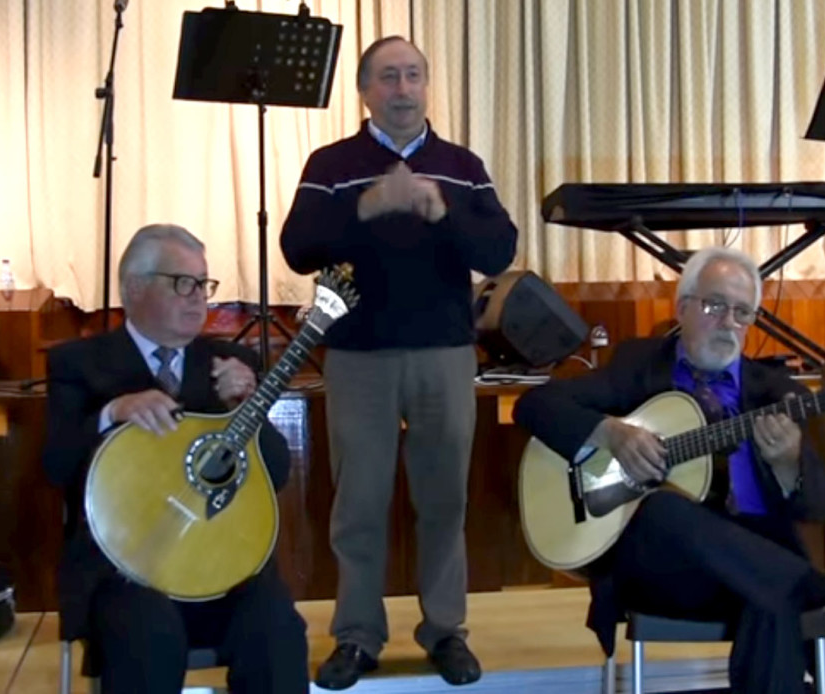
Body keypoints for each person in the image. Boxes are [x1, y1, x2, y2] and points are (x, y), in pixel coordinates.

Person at [512, 247, 825, 694]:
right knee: (661, 509)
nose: (728, 323)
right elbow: (535, 405)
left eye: (742, 312)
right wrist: (611, 434)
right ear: (683, 308)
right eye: (715, 306)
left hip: (755, 568)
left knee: (772, 598)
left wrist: (788, 463)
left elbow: (822, 506)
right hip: (662, 573)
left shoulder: (777, 393)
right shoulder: (638, 365)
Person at [280, 36, 517, 690]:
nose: (404, 88)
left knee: (444, 500)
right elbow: (297, 247)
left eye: (414, 75)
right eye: (389, 77)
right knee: (358, 503)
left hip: (444, 352)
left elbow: (498, 249)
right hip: (358, 356)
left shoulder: (461, 165)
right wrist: (366, 206)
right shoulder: (333, 164)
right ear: (365, 90)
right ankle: (356, 636)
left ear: (426, 85)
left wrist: (443, 214)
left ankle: (446, 631)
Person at [44, 224, 309, 694]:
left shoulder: (224, 362)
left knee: (275, 623)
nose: (197, 298)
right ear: (134, 288)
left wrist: (243, 408)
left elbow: (276, 473)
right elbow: (57, 466)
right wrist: (112, 412)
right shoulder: (80, 364)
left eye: (203, 284)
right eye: (181, 283)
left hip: (219, 565)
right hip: (125, 570)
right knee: (147, 631)